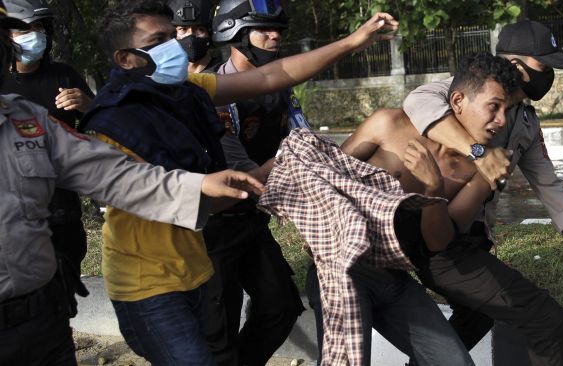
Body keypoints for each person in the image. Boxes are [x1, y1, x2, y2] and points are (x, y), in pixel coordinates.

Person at [79, 1, 398, 365]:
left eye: (174, 36)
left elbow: (270, 77)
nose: (175, 47)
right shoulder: (113, 126)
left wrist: (353, 41)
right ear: (126, 58)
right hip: (148, 287)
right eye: (159, 40)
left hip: (194, 267)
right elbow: (177, 201)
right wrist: (280, 167)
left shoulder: (184, 90)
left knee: (262, 319)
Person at [0, 3, 266, 365]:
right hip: (146, 283)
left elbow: (116, 175)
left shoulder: (25, 120)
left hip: (42, 321)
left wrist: (197, 186)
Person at [402, 20, 563, 364]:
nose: (549, 75)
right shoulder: (456, 91)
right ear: (515, 65)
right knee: (544, 318)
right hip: (433, 233)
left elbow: (549, 185)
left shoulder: (524, 121)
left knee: (476, 317)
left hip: (467, 236)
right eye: (544, 66)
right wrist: (479, 153)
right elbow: (417, 102)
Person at [303, 52, 518, 366]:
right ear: (458, 100)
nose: (502, 120)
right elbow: (325, 181)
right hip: (340, 273)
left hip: (394, 279)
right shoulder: (388, 125)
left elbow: (438, 243)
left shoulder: (480, 170)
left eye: (507, 110)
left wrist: (433, 191)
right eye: (494, 107)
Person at [202, 1, 308, 364]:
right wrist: (292, 164)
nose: (274, 37)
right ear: (235, 36)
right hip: (214, 229)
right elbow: (245, 172)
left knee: (281, 307)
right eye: (264, 30)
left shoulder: (281, 90)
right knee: (220, 329)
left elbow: (305, 138)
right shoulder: (216, 94)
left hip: (251, 222)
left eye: (277, 30)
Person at [1, 0, 97, 318]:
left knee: (61, 301)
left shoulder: (65, 75)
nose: (33, 36)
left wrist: (88, 105)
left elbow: (103, 127)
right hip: (17, 217)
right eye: (23, 29)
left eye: (39, 28)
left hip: (63, 210)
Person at [168, 0, 222, 73]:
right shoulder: (165, 73)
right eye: (183, 29)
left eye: (199, 29)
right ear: (173, 34)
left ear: (210, 32)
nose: (191, 36)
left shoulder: (224, 71)